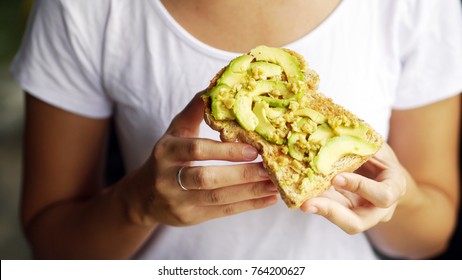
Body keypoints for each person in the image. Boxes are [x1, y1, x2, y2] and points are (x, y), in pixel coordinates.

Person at [11, 0, 462, 259]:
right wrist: (137, 204)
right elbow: (52, 244)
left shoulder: (418, 7)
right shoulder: (83, 9)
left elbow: (430, 236)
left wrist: (393, 200)